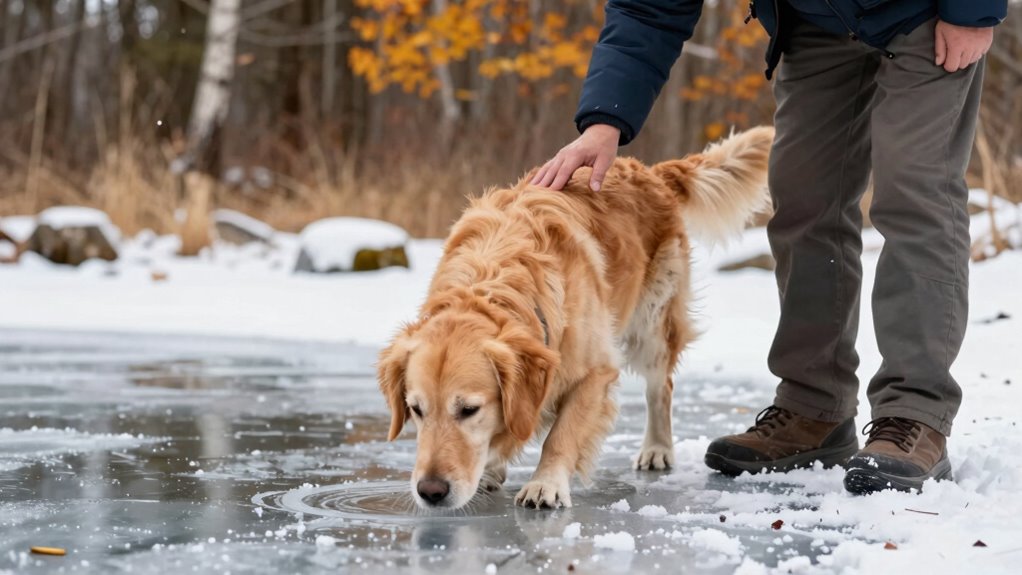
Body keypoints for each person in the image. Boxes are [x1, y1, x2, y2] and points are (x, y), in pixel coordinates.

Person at [530, 0, 1006, 494]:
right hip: (815, 21)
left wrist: (973, 8)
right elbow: (649, 7)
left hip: (924, 15)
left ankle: (915, 413)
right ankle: (813, 407)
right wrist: (604, 121)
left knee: (914, 194)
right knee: (804, 201)